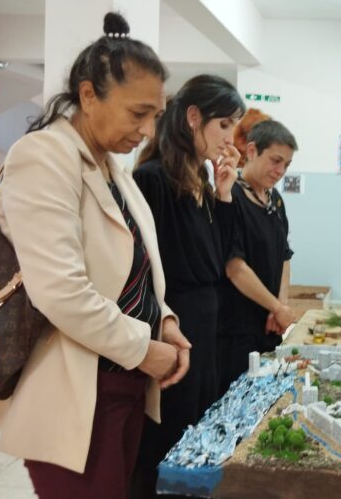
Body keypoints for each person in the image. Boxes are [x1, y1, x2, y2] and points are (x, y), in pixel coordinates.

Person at [0, 12, 189, 499]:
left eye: (155, 115)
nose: (148, 130)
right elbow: (60, 290)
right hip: (74, 389)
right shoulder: (43, 156)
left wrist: (164, 320)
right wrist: (144, 349)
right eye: (137, 113)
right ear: (87, 95)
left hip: (121, 383)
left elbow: (133, 265)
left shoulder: (110, 167)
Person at [131, 75, 245, 498]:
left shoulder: (200, 180)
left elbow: (220, 259)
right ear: (194, 118)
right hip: (174, 322)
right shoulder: (153, 178)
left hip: (205, 324)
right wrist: (160, 329)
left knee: (196, 434)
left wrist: (224, 195)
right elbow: (140, 270)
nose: (230, 138)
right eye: (224, 125)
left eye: (234, 126)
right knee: (165, 441)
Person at [216, 120, 298, 392]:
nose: (280, 171)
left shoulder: (275, 200)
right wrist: (277, 308)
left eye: (286, 165)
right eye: (275, 161)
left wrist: (280, 306)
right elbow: (235, 267)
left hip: (270, 326)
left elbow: (284, 255)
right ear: (251, 151)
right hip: (237, 328)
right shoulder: (231, 196)